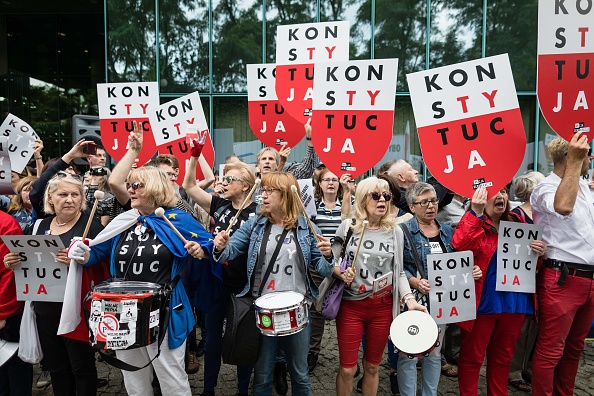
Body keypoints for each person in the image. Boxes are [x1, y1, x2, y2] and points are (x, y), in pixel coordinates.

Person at [68, 165, 214, 396]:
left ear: (155, 188)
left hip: (164, 309)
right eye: (129, 185)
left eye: (137, 185)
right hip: (121, 309)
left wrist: (201, 250)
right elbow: (97, 251)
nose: (130, 189)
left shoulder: (177, 220)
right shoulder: (124, 220)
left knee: (171, 377)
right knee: (133, 376)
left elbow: (210, 246)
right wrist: (82, 254)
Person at [212, 172, 334, 396]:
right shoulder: (255, 224)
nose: (263, 195)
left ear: (286, 194)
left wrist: (327, 256)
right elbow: (229, 251)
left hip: (298, 308)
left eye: (270, 191)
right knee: (263, 375)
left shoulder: (306, 226)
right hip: (264, 309)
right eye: (263, 190)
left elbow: (324, 269)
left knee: (300, 374)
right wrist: (220, 245)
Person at [4, 171, 108, 395]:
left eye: (75, 194)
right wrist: (12, 262)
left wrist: (77, 264)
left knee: (82, 367)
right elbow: (28, 262)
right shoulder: (39, 226)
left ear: (82, 198)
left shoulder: (91, 226)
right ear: (50, 198)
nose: (69, 199)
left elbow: (104, 269)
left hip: (77, 310)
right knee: (57, 367)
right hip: (45, 309)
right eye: (63, 194)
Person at [333, 177, 427, 396]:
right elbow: (332, 263)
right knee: (348, 369)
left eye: (386, 196)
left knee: (373, 367)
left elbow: (399, 271)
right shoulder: (348, 226)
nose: (382, 200)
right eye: (376, 195)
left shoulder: (395, 231)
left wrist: (410, 301)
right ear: (363, 198)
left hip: (382, 308)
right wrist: (341, 272)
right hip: (351, 306)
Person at [452, 185, 546, 395]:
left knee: (503, 358)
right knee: (472, 357)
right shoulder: (473, 221)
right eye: (494, 191)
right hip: (482, 302)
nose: (500, 195)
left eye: (504, 191)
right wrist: (475, 214)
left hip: (514, 302)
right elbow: (459, 247)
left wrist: (537, 254)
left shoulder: (518, 223)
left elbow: (530, 267)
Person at [182, 147, 257, 396]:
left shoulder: (259, 212)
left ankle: (243, 390)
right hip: (217, 282)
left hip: (246, 286)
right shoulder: (220, 205)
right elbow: (189, 186)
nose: (223, 182)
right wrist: (193, 157)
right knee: (212, 340)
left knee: (243, 340)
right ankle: (209, 389)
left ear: (245, 185)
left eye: (230, 179)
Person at [530, 133, 594, 396]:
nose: (590, 157)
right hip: (562, 277)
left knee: (574, 347)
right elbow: (563, 206)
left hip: (587, 279)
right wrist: (576, 164)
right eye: (585, 152)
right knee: (551, 349)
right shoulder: (545, 187)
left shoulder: (584, 188)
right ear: (572, 156)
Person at [398, 182, 470, 396]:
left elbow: (455, 264)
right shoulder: (402, 231)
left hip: (442, 301)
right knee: (409, 354)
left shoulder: (447, 231)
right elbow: (396, 266)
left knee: (435, 353)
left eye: (434, 201)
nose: (431, 206)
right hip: (414, 300)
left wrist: (469, 271)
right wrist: (414, 281)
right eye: (424, 202)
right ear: (412, 207)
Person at [308, 169, 353, 373]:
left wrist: (347, 194)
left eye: (334, 180)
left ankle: (349, 357)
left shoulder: (345, 206)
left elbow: (350, 223)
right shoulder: (313, 208)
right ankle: (312, 351)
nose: (331, 183)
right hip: (319, 265)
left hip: (343, 267)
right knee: (316, 310)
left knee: (344, 309)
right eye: (327, 180)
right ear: (319, 184)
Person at [0, 211, 32, 396]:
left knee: (14, 368)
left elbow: (11, 272)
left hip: (9, 312)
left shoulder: (6, 224)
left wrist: (2, 313)